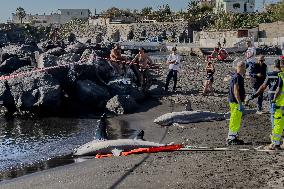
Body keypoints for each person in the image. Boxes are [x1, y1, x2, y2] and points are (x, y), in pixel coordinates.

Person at [246, 59, 282, 128]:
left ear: (274, 66)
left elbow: (263, 87)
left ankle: (275, 130)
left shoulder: (270, 75)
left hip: (273, 97)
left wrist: (254, 95)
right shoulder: (282, 75)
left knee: (273, 115)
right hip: (281, 97)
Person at [264, 58, 284, 150]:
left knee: (277, 124)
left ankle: (275, 143)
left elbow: (279, 90)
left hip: (280, 105)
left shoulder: (281, 76)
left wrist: (273, 100)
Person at [227, 60, 246, 145]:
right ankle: (231, 137)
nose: (245, 69)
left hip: (233, 101)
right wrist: (240, 103)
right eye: (245, 67)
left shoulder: (235, 76)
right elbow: (236, 91)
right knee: (235, 120)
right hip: (235, 102)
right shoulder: (238, 77)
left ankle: (233, 136)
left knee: (235, 119)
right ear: (242, 67)